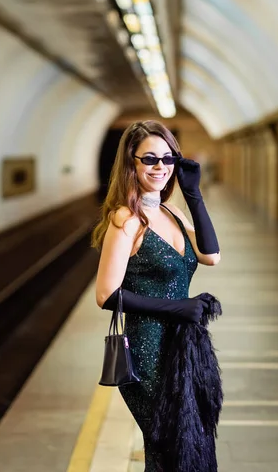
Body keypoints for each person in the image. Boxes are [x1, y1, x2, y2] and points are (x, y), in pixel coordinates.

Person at [92, 120, 221, 471]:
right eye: (149, 159)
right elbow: (106, 294)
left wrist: (193, 194)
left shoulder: (171, 212)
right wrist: (179, 308)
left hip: (184, 347)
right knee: (170, 447)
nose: (161, 167)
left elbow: (211, 255)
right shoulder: (126, 220)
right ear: (131, 164)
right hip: (148, 350)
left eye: (168, 158)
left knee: (195, 443)